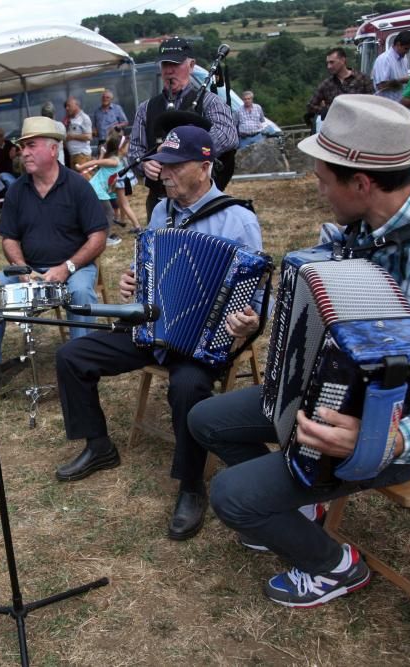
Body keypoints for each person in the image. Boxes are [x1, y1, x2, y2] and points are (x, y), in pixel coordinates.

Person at [188, 94, 410, 608]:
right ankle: (301, 505)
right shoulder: (362, 232)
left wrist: (381, 440)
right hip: (324, 399)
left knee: (230, 495)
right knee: (205, 419)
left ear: (362, 183)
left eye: (325, 179)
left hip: (393, 431)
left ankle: (336, 567)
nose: (317, 185)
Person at [56, 123, 263, 541]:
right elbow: (149, 268)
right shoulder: (161, 211)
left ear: (205, 167)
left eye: (173, 164)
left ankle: (190, 486)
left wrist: (248, 320)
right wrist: (132, 283)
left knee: (187, 389)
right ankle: (98, 445)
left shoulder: (237, 219)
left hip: (203, 341)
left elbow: (257, 296)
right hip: (152, 330)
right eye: (161, 164)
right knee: (72, 356)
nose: (162, 172)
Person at [0, 116, 107, 376]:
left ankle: (81, 361)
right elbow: (9, 238)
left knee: (81, 293)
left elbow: (98, 236)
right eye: (22, 146)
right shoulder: (16, 190)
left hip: (75, 267)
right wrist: (19, 266)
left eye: (31, 145)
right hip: (31, 269)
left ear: (53, 149)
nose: (23, 152)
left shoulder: (78, 186)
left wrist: (67, 267)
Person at [129, 37, 238, 220]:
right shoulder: (145, 109)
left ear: (191, 65)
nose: (169, 70)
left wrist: (186, 151)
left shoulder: (210, 102)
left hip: (201, 203)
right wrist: (145, 164)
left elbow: (228, 135)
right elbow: (134, 151)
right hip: (160, 203)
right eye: (165, 64)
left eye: (176, 64)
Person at [305, 48, 374, 130]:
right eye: (327, 63)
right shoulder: (326, 84)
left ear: (343, 60)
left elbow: (373, 103)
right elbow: (310, 105)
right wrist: (329, 110)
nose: (329, 66)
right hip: (336, 130)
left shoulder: (362, 79)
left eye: (332, 62)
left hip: (359, 127)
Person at [79, 131, 126, 247]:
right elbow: (96, 162)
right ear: (120, 148)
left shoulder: (115, 160)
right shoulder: (114, 161)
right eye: (127, 147)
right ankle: (105, 239)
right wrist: (81, 167)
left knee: (100, 213)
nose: (128, 149)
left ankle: (92, 235)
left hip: (98, 189)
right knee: (109, 213)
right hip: (97, 189)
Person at [372, 31, 410, 103]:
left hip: (399, 105)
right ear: (398, 44)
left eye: (409, 49)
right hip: (387, 106)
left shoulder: (404, 59)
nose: (407, 52)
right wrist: (402, 80)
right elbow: (381, 86)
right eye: (406, 48)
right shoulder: (384, 59)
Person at [64, 97, 94, 170]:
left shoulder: (84, 118)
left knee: (83, 179)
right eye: (66, 106)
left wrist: (72, 136)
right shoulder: (70, 118)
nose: (67, 108)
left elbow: (89, 137)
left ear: (76, 105)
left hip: (81, 155)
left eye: (69, 106)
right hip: (73, 155)